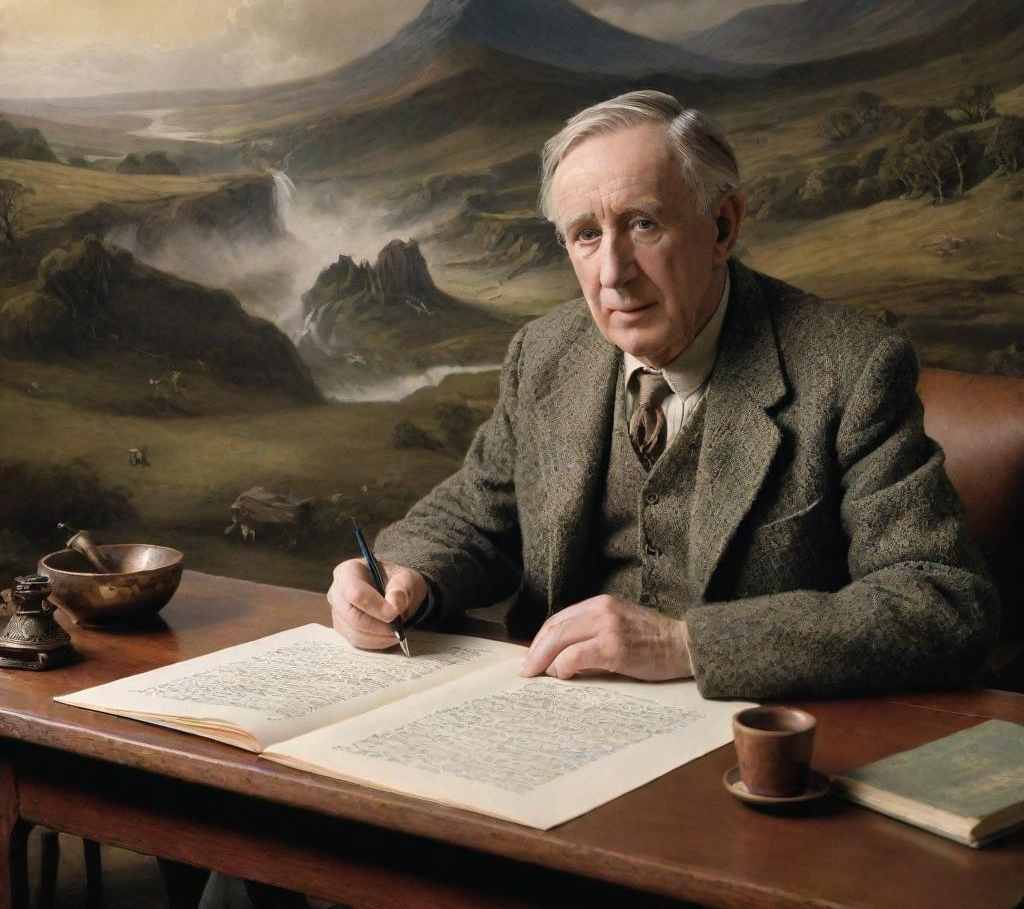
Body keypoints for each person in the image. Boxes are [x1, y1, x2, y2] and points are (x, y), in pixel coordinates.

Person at [327, 90, 1000, 699]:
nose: (614, 273)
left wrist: (685, 645)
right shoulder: (545, 353)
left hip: (745, 731)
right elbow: (476, 515)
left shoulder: (851, 369)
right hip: (545, 712)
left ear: (723, 226)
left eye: (643, 224)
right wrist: (400, 571)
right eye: (586, 235)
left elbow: (940, 602)